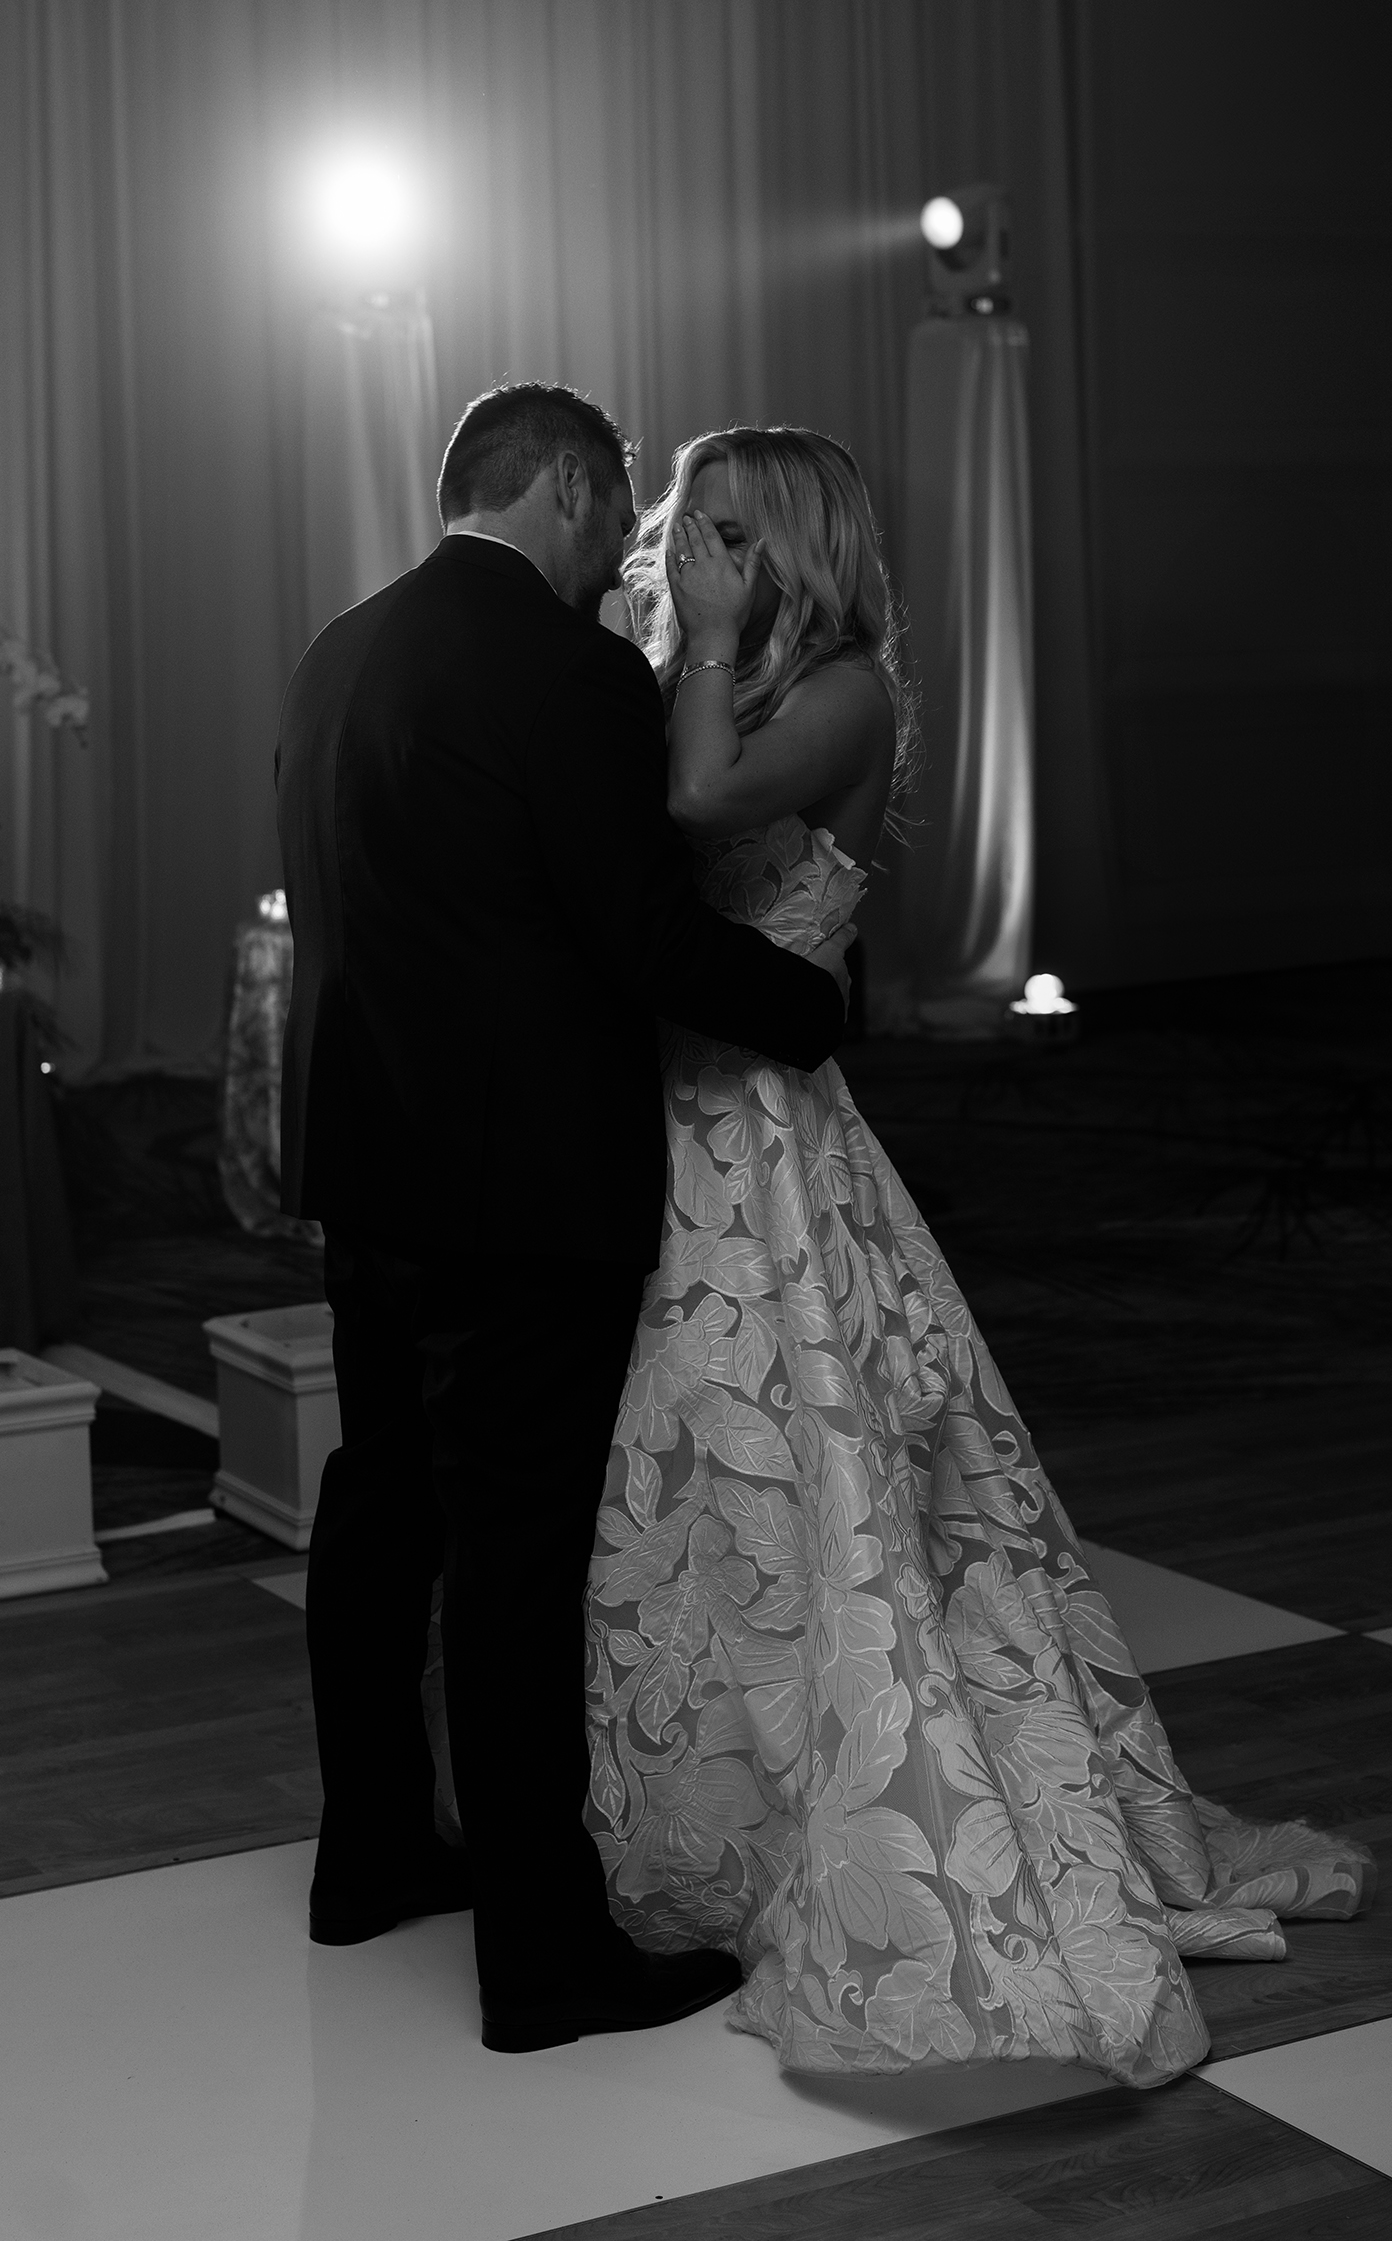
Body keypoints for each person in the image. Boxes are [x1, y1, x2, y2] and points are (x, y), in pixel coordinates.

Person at [582, 423, 1374, 2090]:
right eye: (683, 528)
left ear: (792, 546)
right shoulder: (705, 667)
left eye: (726, 533)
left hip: (770, 1148)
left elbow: (699, 805)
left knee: (821, 1474)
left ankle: (866, 1833)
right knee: (696, 1495)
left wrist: (702, 647)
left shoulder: (845, 687)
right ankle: (697, 1820)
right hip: (664, 1119)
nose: (691, 557)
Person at [274, 382, 855, 2054]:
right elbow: (637, 936)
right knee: (518, 1557)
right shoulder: (569, 667)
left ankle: (368, 1852)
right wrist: (815, 1013)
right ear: (579, 494)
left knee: (382, 1510)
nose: (632, 561)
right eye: (622, 524)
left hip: (367, 1163)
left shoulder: (339, 648)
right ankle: (543, 1961)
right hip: (519, 1183)